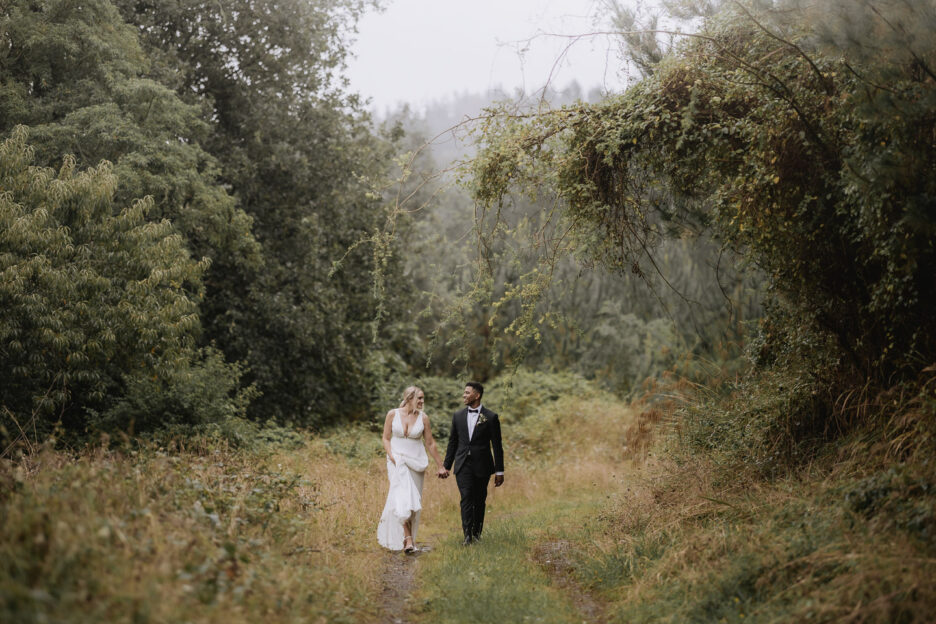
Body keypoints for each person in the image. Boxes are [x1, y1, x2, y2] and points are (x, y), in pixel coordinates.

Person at [377, 385, 449, 553]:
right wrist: (393, 457)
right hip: (396, 461)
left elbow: (430, 443)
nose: (422, 402)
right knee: (400, 497)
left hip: (416, 462)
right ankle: (408, 539)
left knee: (412, 502)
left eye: (423, 398)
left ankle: (409, 539)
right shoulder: (392, 414)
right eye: (420, 398)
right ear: (410, 398)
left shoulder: (423, 418)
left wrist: (440, 465)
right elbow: (386, 438)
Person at [443, 382, 504, 545]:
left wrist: (499, 471)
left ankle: (477, 534)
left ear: (477, 395)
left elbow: (497, 445)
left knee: (479, 500)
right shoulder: (457, 416)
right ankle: (467, 536)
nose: (464, 395)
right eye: (464, 392)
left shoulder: (491, 417)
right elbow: (452, 442)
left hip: (482, 465)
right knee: (466, 498)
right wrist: (446, 466)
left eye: (467, 392)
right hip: (463, 465)